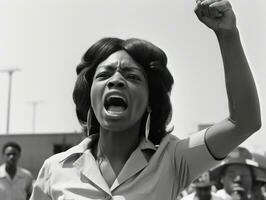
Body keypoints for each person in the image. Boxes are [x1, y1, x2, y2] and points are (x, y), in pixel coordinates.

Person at [30, 0, 261, 199]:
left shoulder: (172, 159)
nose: (116, 80)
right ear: (90, 95)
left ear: (151, 101)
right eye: (104, 75)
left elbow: (244, 122)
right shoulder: (55, 169)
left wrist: (228, 34)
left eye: (131, 76)